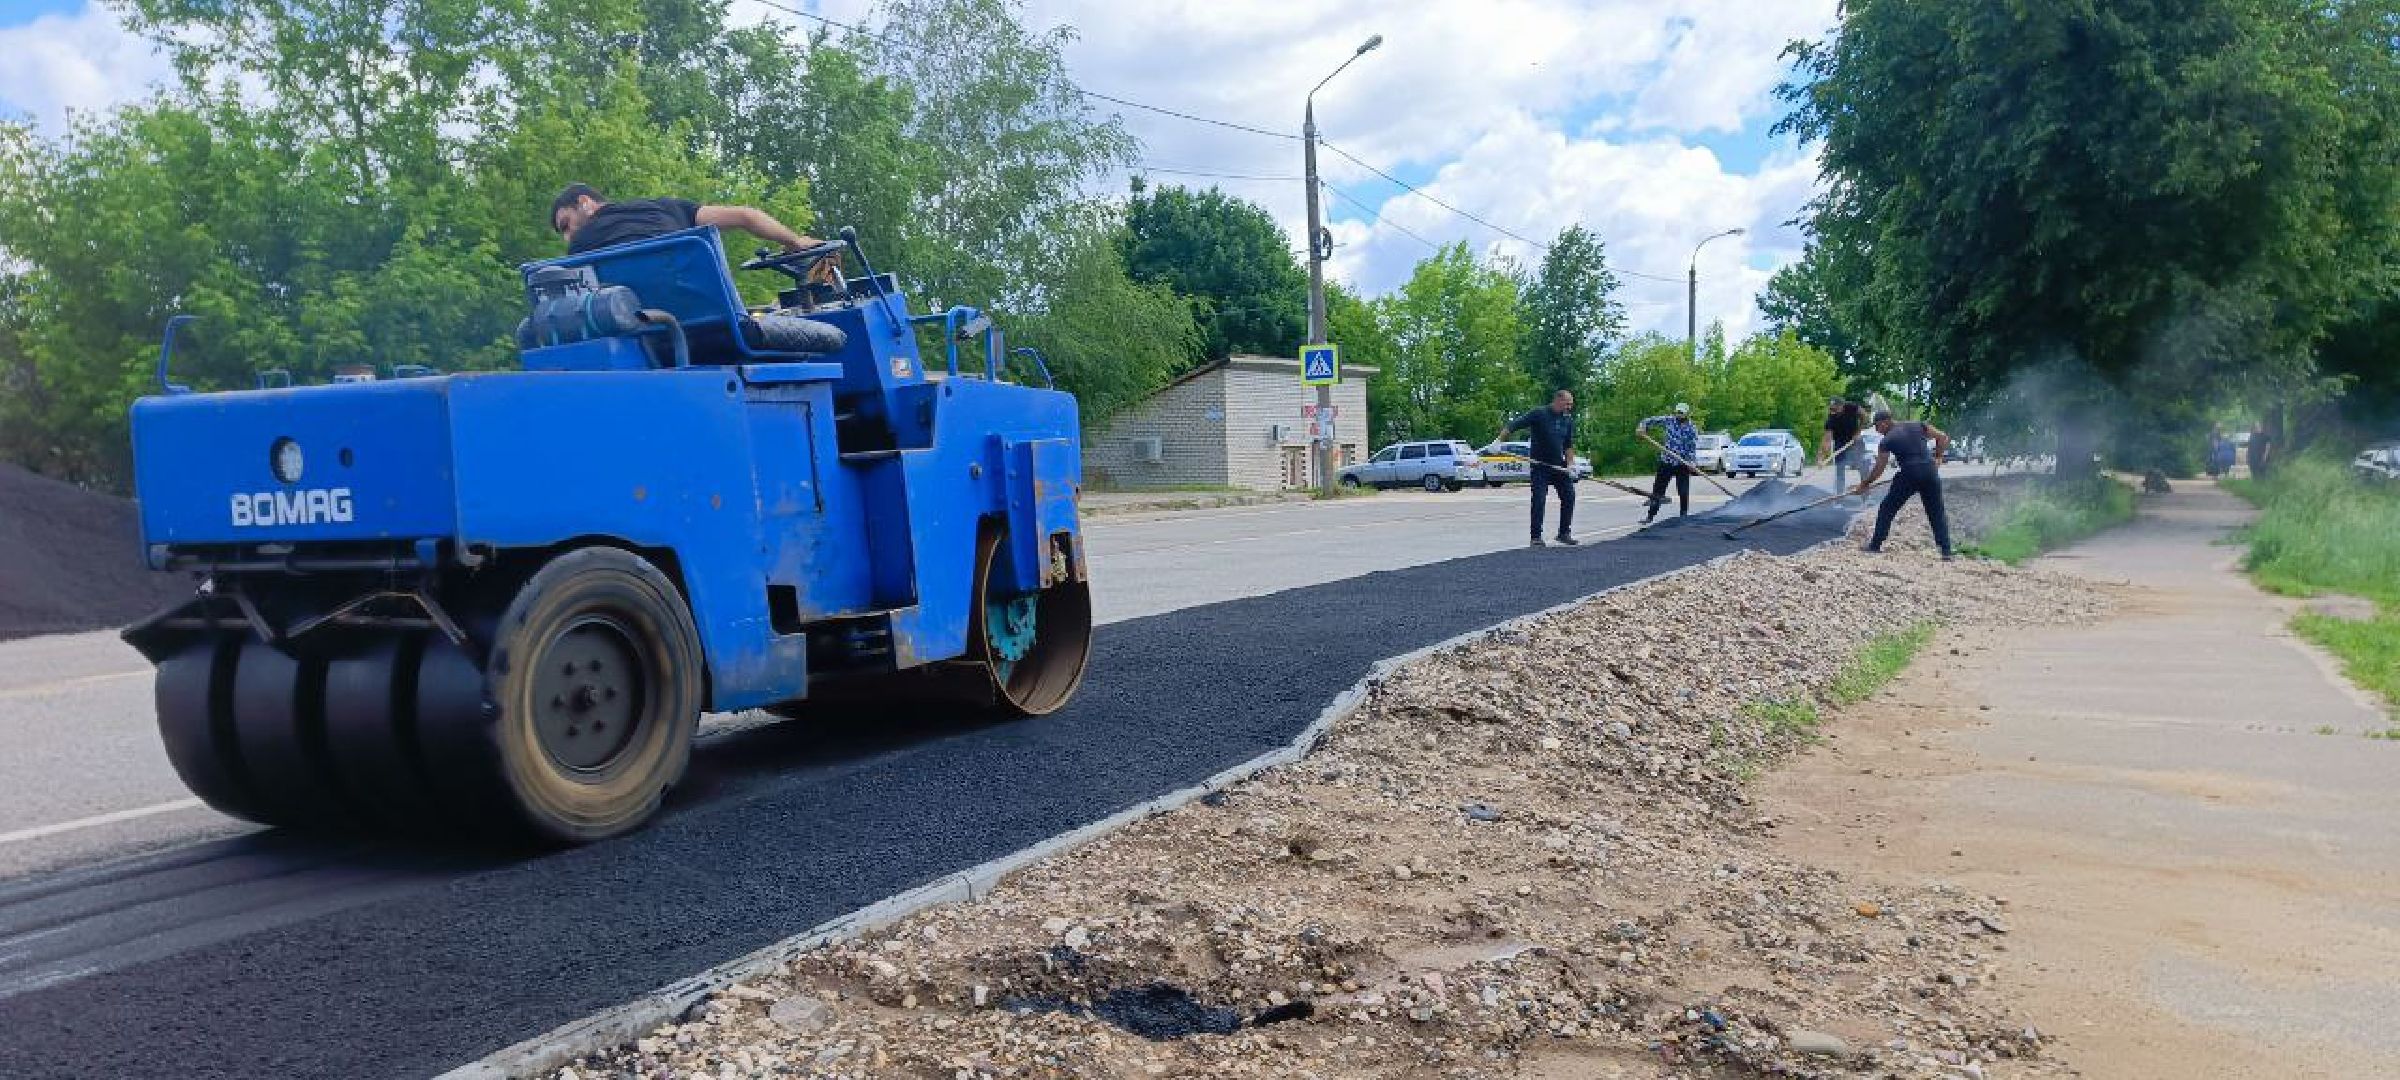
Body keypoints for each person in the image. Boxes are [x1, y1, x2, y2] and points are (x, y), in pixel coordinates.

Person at [551, 184, 823, 256]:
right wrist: (796, 241)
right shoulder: (666, 208)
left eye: (566, 225)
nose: (568, 237)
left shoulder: (580, 252)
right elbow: (746, 216)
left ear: (585, 203)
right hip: (715, 324)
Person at [1857, 410, 1953, 560]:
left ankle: (1875, 545)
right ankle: (1946, 551)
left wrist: (1865, 483)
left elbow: (1879, 468)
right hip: (1930, 472)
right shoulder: (1918, 425)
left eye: (1877, 426)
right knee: (1936, 512)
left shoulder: (1887, 440)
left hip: (1909, 474)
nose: (1877, 431)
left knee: (1887, 508)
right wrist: (1939, 456)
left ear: (1884, 422)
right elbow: (1943, 437)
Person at [1499, 389, 1579, 547]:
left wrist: (1571, 465)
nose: (1569, 407)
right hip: (1539, 466)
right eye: (1567, 404)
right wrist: (1498, 441)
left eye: (1571, 404)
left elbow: (1568, 445)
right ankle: (1536, 537)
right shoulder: (1539, 414)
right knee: (1539, 499)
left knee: (1569, 496)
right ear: (1558, 400)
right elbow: (1513, 425)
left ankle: (1564, 533)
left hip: (1559, 466)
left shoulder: (1567, 420)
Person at [1635, 403, 1699, 524]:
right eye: (1678, 412)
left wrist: (1692, 463)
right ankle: (1650, 516)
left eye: (1681, 413)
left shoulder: (1692, 429)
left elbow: (1692, 448)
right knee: (1658, 491)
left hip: (1682, 463)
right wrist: (1642, 427)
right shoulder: (1669, 421)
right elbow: (1648, 420)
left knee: (1683, 491)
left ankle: (1683, 516)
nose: (1679, 415)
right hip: (1667, 461)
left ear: (1687, 414)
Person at [1820, 397, 1867, 498]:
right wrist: (1822, 458)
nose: (1833, 412)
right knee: (1840, 471)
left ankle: (1866, 496)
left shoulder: (1851, 407)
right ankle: (1839, 498)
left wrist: (1858, 432)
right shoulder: (1831, 419)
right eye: (1831, 409)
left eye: (1835, 409)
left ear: (1842, 406)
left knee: (1862, 468)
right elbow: (1827, 440)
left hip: (1855, 441)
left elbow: (1864, 415)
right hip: (1840, 443)